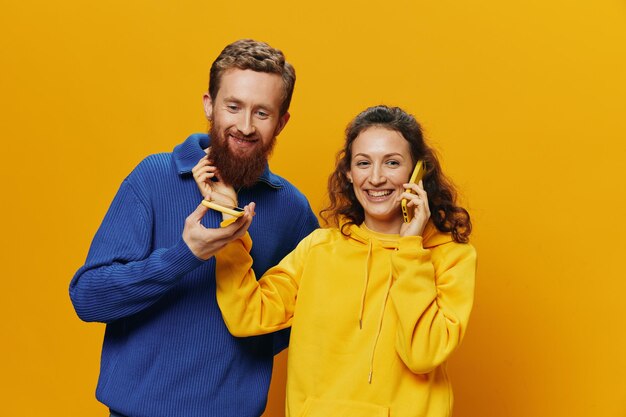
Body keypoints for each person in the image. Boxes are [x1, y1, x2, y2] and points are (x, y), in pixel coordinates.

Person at [69, 39, 319, 417]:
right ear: (209, 105)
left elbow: (310, 313)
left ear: (282, 121)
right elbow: (88, 299)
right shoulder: (153, 178)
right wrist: (185, 255)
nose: (245, 126)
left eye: (262, 113)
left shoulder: (291, 209)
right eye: (233, 107)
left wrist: (245, 351)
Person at [198, 105, 476, 417]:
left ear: (418, 172)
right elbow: (246, 314)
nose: (375, 177)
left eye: (393, 163)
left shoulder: (451, 256)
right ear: (348, 172)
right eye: (363, 163)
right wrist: (229, 223)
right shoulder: (318, 248)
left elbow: (422, 354)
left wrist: (409, 248)